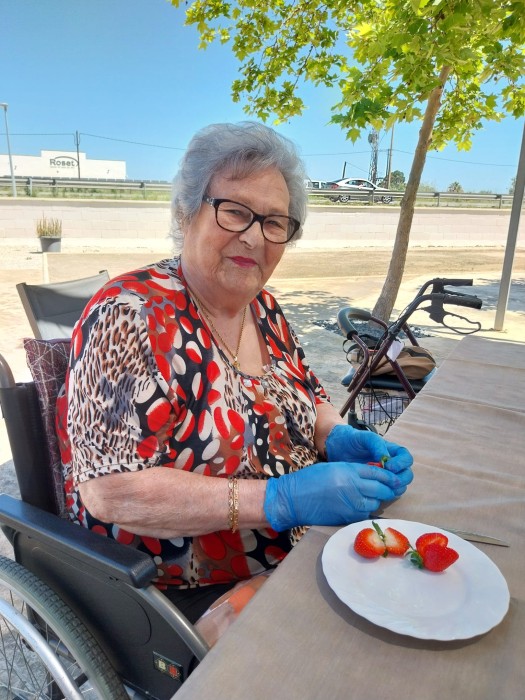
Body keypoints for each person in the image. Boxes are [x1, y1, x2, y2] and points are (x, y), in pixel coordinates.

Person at [57, 121, 413, 634]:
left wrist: (336, 434)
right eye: (235, 211)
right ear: (186, 212)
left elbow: (309, 394)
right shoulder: (130, 315)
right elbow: (110, 491)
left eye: (274, 222)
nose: (254, 236)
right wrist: (278, 499)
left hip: (303, 545)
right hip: (188, 584)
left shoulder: (263, 307)